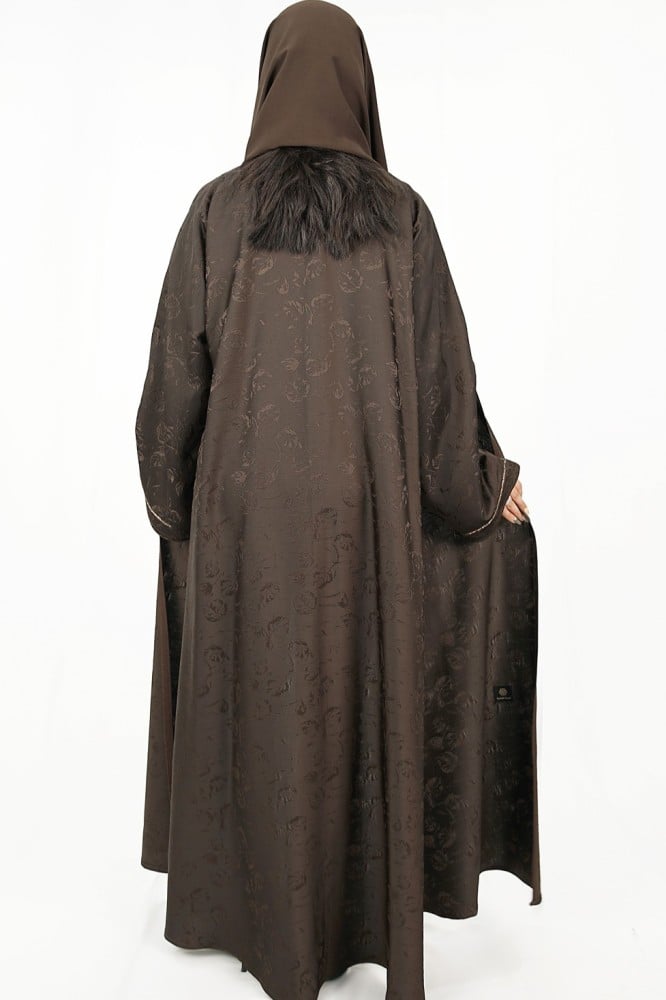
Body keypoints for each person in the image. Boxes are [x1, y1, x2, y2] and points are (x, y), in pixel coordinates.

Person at [134, 3, 541, 999]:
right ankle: (353, 917)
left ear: (269, 79)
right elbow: (443, 401)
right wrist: (485, 492)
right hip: (367, 525)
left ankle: (257, 920)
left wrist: (172, 507)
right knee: (353, 704)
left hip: (240, 525)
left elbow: (172, 386)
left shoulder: (215, 210)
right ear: (359, 86)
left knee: (258, 701)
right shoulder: (404, 216)